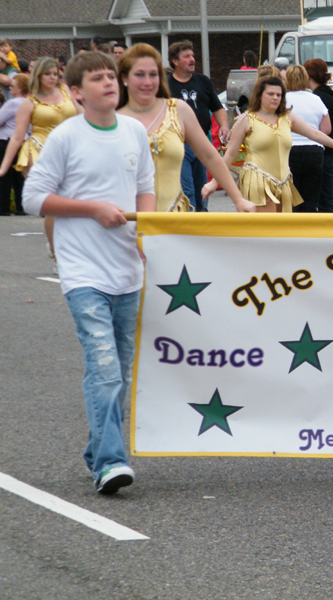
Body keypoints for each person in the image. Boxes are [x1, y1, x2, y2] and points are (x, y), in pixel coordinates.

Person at [22, 51, 156, 494]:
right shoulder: (65, 137)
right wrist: (92, 210)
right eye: (97, 80)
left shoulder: (134, 131)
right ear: (76, 92)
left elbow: (145, 189)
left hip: (127, 272)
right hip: (82, 271)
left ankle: (97, 449)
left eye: (110, 78)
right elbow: (32, 198)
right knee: (104, 368)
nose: (108, 84)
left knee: (120, 369)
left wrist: (146, 235)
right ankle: (111, 464)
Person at [116, 44, 254, 213]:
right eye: (139, 75)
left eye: (153, 74)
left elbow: (210, 156)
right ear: (124, 78)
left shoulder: (178, 110)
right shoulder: (113, 118)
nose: (147, 82)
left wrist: (238, 199)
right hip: (128, 220)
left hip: (175, 220)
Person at [203, 76, 333, 213]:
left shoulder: (287, 117)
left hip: (284, 182)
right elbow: (230, 154)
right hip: (258, 181)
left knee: (283, 231)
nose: (275, 98)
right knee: (266, 231)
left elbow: (314, 134)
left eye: (279, 95)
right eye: (270, 94)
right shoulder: (246, 120)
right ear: (260, 95)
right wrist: (214, 182)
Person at [0, 57, 82, 257]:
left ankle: (70, 246)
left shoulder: (66, 92)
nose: (53, 78)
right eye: (48, 74)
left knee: (73, 199)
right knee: (54, 204)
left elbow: (83, 117)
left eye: (55, 73)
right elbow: (18, 136)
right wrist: (3, 166)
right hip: (39, 151)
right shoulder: (30, 102)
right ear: (39, 76)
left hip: (69, 151)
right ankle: (55, 252)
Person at [167, 40, 229, 212]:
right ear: (175, 61)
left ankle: (202, 220)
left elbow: (217, 107)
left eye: (192, 56)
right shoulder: (166, 85)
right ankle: (190, 223)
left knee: (203, 189)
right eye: (186, 56)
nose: (192, 59)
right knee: (187, 190)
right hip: (179, 143)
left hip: (202, 141)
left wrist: (224, 125)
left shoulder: (203, 82)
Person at [285, 65, 330, 213]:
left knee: (291, 199)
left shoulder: (282, 100)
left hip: (289, 151)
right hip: (314, 151)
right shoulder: (316, 99)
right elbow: (326, 129)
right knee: (310, 199)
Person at [305, 58, 333, 213]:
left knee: (325, 199)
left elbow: (324, 130)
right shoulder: (328, 95)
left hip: (328, 152)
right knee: (325, 197)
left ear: (309, 76)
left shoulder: (318, 98)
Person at [0, 73, 28, 215]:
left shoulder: (12, 103)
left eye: (13, 86)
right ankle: (21, 206)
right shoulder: (30, 103)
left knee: (4, 175)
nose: (10, 87)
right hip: (24, 140)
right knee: (19, 175)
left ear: (20, 88)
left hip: (6, 139)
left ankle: (3, 207)